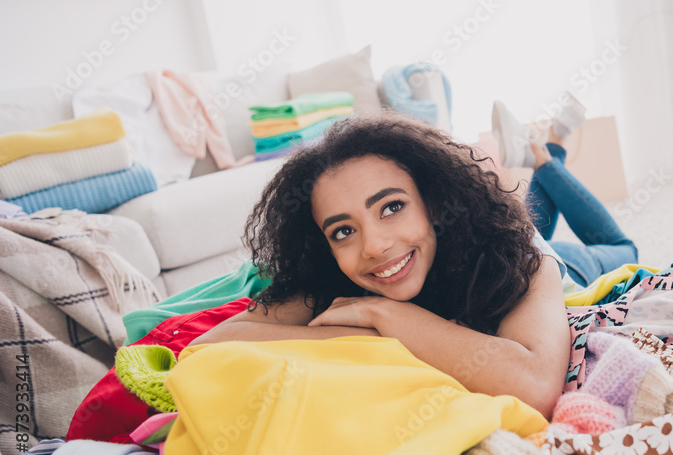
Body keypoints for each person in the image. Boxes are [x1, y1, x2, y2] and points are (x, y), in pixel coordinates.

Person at [190, 113, 571, 418]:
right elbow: (210, 345)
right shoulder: (334, 277)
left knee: (611, 243)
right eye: (342, 231)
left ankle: (550, 153)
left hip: (573, 262)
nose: (373, 246)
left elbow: (535, 390)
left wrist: (385, 313)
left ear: (434, 199)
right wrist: (374, 339)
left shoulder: (520, 258)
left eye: (391, 207)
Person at [490, 96, 639, 291]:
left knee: (521, 242)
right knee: (626, 249)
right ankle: (546, 149)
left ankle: (545, 149)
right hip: (544, 266)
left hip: (518, 266)